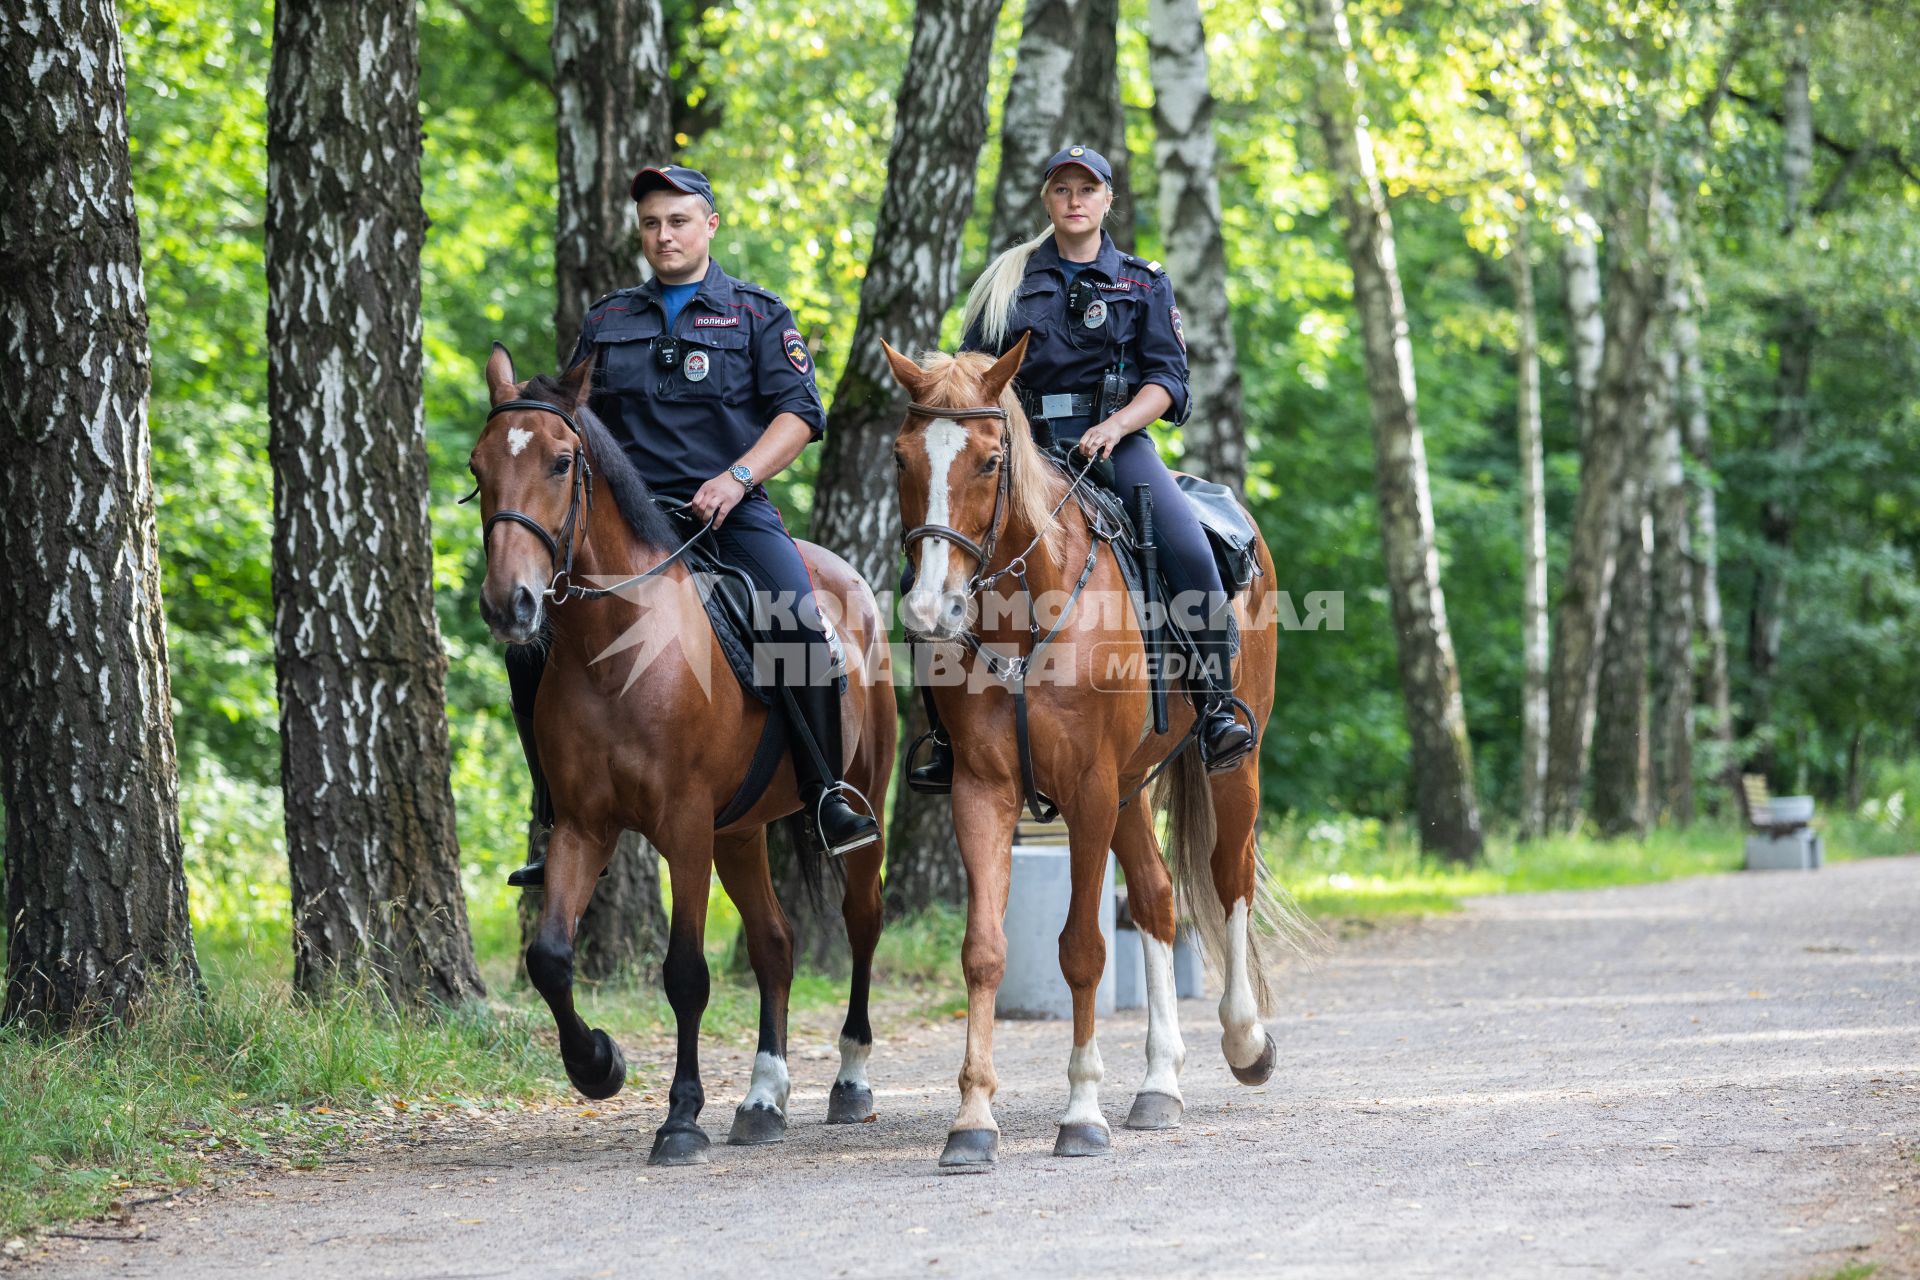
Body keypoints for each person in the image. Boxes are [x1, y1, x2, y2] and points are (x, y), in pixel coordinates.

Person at [506, 164, 878, 886]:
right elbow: (572, 420)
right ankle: (555, 808)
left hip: (731, 514)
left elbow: (801, 415)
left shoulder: (757, 313)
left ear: (709, 225)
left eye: (678, 220)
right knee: (529, 648)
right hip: (630, 525)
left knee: (798, 624)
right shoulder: (609, 320)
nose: (663, 235)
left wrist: (738, 477)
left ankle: (827, 792)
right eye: (651, 223)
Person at [907, 144, 1254, 793]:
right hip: (1019, 451)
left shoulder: (1143, 282)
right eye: (1062, 188)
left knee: (1188, 549)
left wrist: (1118, 426)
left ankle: (1214, 708)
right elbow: (970, 380)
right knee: (927, 561)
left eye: (1087, 188)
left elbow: (1168, 380)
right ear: (1048, 199)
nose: (1075, 199)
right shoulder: (1006, 280)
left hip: (1115, 444)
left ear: (1107, 199)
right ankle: (944, 735)